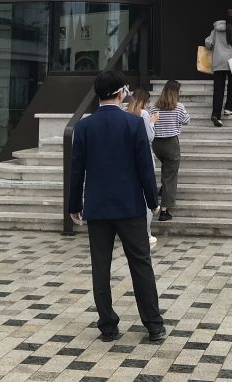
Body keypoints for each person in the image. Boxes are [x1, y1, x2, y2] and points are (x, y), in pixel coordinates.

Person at [68, 70, 166, 343]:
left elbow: (76, 170)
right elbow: (145, 168)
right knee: (141, 264)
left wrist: (74, 204)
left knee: (100, 267)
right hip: (130, 206)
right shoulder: (133, 124)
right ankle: (154, 325)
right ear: (122, 92)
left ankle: (108, 326)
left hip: (97, 207)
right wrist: (153, 201)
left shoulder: (84, 127)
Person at [152, 79, 189, 222]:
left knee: (167, 169)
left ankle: (164, 188)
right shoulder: (178, 107)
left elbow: (150, 121)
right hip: (171, 143)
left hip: (157, 143)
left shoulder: (155, 106)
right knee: (171, 175)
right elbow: (186, 120)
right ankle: (164, 210)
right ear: (176, 92)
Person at [126, 88, 159, 246]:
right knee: (146, 196)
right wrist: (152, 122)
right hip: (143, 156)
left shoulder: (124, 112)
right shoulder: (143, 114)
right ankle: (146, 232)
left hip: (127, 158)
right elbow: (149, 137)